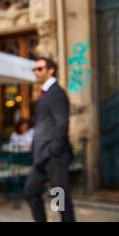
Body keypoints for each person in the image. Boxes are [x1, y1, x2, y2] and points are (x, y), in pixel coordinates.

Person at [24, 57, 75, 222]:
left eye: (39, 69)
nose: (36, 72)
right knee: (31, 191)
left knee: (60, 199)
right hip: (42, 156)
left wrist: (53, 150)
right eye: (35, 69)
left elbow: (62, 123)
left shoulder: (56, 93)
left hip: (54, 156)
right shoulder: (45, 93)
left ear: (51, 70)